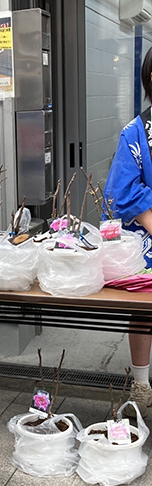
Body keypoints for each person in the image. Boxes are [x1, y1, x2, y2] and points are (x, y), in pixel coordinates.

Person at [104, 45, 152, 417]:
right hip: (148, 240)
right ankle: (141, 381)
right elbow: (124, 190)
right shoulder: (135, 132)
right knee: (143, 313)